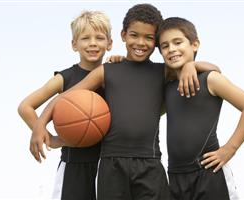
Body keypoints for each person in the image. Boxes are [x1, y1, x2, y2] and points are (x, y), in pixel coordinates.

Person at [31, 4, 218, 200]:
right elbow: (66, 97)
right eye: (134, 35)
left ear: (156, 42)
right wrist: (40, 124)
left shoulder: (162, 71)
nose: (141, 42)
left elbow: (214, 69)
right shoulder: (107, 71)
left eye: (149, 37)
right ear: (123, 35)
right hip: (111, 165)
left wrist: (191, 64)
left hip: (150, 163)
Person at [157, 17, 244, 200]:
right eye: (164, 46)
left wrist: (229, 149)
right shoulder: (167, 86)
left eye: (177, 42)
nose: (171, 49)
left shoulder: (210, 79)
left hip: (209, 173)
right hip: (175, 177)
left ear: (194, 44)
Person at [17, 11, 112, 200]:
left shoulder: (114, 74)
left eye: (99, 38)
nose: (93, 43)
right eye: (85, 38)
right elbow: (25, 106)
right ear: (74, 44)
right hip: (73, 164)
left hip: (109, 163)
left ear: (109, 44)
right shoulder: (65, 77)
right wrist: (49, 137)